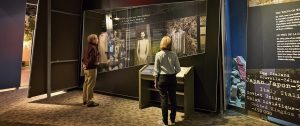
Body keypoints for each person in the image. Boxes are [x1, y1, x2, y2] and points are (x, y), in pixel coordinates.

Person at [153, 36, 181, 126]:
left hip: (162, 79)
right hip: (172, 78)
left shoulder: (158, 54)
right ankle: (172, 120)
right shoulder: (174, 54)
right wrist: (172, 73)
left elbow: (156, 70)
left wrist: (155, 81)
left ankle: (165, 122)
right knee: (173, 99)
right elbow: (178, 69)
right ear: (170, 44)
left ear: (162, 43)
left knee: (164, 100)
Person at [82, 34, 100, 107]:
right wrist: (97, 63)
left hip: (86, 68)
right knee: (91, 85)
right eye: (96, 39)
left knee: (86, 84)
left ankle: (85, 100)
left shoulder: (87, 47)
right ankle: (90, 101)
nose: (98, 40)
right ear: (93, 40)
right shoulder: (93, 48)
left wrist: (84, 64)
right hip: (91, 68)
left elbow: (84, 58)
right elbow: (92, 60)